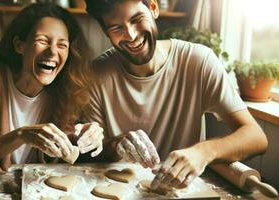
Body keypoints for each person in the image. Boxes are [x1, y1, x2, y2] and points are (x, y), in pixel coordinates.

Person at [83, 0, 268, 189]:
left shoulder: (198, 61)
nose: (130, 35)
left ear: (153, 8)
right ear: (106, 32)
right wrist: (116, 145)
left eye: (137, 19)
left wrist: (203, 152)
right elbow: (93, 154)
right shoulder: (94, 75)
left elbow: (256, 137)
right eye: (116, 28)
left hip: (183, 191)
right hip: (120, 191)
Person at [0, 3, 104, 180]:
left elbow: (62, 156)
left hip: (38, 189)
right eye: (42, 41)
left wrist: (83, 137)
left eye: (62, 45)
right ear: (19, 45)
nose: (52, 51)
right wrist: (22, 135)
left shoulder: (66, 88)